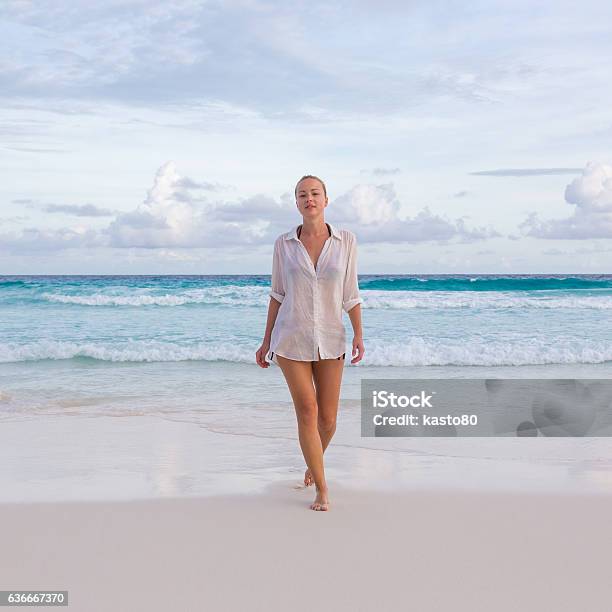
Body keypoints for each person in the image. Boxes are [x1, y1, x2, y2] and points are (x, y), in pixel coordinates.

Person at [255, 175, 365, 511]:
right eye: (302, 195)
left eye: (315, 193)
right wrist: (265, 340)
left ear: (326, 200)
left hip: (332, 337)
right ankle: (322, 487)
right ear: (297, 202)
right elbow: (277, 294)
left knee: (328, 419)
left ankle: (312, 461)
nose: (309, 199)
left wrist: (359, 333)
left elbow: (350, 293)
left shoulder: (345, 241)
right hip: (291, 337)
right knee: (307, 410)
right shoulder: (283, 244)